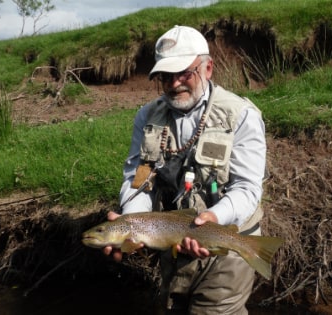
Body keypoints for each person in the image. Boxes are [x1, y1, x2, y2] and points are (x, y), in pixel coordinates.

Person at [103, 25, 267, 314]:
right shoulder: (147, 116)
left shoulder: (241, 115)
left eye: (184, 73)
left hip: (229, 244)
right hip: (173, 239)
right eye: (165, 76)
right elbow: (137, 179)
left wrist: (212, 219)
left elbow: (247, 189)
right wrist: (132, 224)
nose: (174, 83)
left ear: (208, 68)